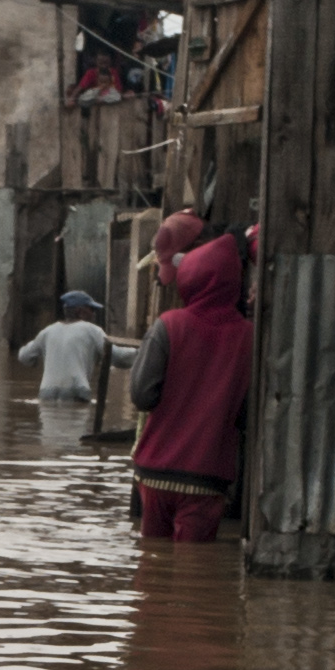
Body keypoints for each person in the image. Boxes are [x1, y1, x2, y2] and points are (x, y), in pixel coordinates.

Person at [128, 229, 254, 541]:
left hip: (154, 472)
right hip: (207, 476)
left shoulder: (169, 325)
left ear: (191, 279)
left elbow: (142, 395)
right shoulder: (249, 336)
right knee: (192, 567)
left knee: (152, 567)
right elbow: (248, 414)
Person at [17, 289, 122, 403]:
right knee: (77, 418)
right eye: (91, 309)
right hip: (76, 390)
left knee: (49, 419)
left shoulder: (48, 331)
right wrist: (139, 353)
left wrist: (35, 362)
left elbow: (24, 356)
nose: (94, 314)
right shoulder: (92, 330)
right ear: (80, 312)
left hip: (47, 392)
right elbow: (117, 356)